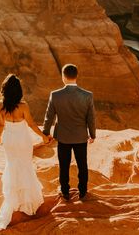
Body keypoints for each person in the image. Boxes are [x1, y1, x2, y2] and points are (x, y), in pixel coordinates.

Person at [0, 74, 50, 230]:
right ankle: (28, 201)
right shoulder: (23, 106)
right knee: (25, 166)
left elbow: (0, 124)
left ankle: (15, 198)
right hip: (22, 140)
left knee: (12, 166)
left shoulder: (0, 105)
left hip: (9, 141)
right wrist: (44, 137)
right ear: (18, 91)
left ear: (5, 90)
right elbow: (31, 124)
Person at [43, 64, 96, 201]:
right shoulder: (87, 95)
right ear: (76, 76)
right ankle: (83, 192)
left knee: (64, 166)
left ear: (63, 76)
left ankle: (65, 192)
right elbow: (91, 117)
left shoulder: (55, 95)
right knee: (82, 165)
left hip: (63, 137)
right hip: (80, 137)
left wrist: (46, 133)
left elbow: (49, 117)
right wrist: (92, 134)